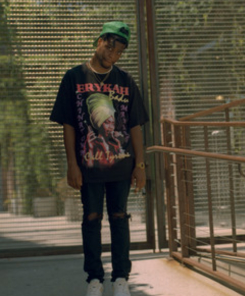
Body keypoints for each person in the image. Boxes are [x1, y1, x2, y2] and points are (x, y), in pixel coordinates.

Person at [50, 21, 148, 296]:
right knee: (91, 218)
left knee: (119, 217)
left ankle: (121, 279)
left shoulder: (126, 81)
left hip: (121, 165)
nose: (113, 55)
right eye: (110, 47)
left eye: (119, 52)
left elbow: (135, 125)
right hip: (88, 167)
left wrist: (140, 165)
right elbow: (68, 124)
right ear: (99, 41)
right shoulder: (74, 77)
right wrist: (72, 164)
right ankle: (94, 279)